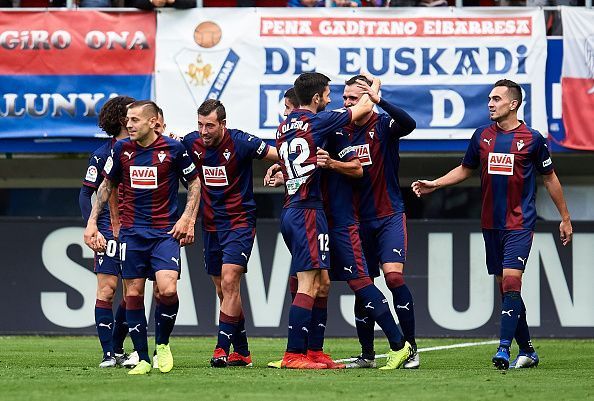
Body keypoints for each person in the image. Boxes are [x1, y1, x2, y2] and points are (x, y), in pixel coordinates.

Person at [411, 79, 573, 370]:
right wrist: (435, 184)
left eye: (496, 99)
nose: (490, 103)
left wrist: (565, 218)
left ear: (513, 104)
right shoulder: (481, 136)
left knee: (512, 280)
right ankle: (528, 350)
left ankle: (503, 348)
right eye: (489, 98)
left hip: (520, 222)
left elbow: (550, 178)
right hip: (491, 224)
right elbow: (465, 168)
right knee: (506, 288)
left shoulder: (533, 139)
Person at [83, 100, 201, 375]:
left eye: (135, 120)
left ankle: (162, 345)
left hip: (164, 233)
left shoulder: (174, 149)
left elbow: (194, 182)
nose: (129, 124)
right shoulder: (122, 150)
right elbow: (106, 185)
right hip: (132, 234)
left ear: (152, 121)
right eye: (128, 119)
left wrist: (188, 218)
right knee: (133, 293)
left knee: (168, 289)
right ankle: (144, 357)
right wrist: (92, 222)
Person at [273, 72, 379, 369]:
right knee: (309, 282)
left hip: (297, 208)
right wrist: (374, 86)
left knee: (322, 282)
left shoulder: (284, 126)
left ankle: (315, 352)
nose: (332, 99)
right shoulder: (317, 121)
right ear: (317, 97)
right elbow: (364, 108)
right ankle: (294, 354)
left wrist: (280, 172)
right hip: (306, 210)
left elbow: (296, 159)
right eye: (329, 94)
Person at [181, 99, 279, 368]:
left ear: (223, 124)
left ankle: (221, 349)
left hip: (240, 222)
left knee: (229, 280)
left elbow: (282, 154)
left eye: (209, 125)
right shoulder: (191, 143)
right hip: (210, 225)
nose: (204, 131)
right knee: (224, 292)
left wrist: (280, 168)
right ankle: (243, 352)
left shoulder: (242, 142)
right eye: (200, 125)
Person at [335, 75, 419, 369]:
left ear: (368, 98)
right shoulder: (340, 130)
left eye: (353, 98)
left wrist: (380, 99)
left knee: (394, 278)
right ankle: (367, 354)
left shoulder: (383, 125)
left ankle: (410, 348)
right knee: (363, 284)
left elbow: (409, 124)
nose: (346, 103)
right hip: (355, 220)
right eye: (344, 97)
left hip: (388, 215)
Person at [79, 95, 135, 368]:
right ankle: (107, 353)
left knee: (132, 292)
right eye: (132, 114)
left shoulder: (143, 151)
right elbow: (84, 194)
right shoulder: (102, 154)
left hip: (137, 228)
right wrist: (91, 226)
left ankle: (117, 346)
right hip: (106, 229)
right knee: (107, 288)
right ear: (123, 119)